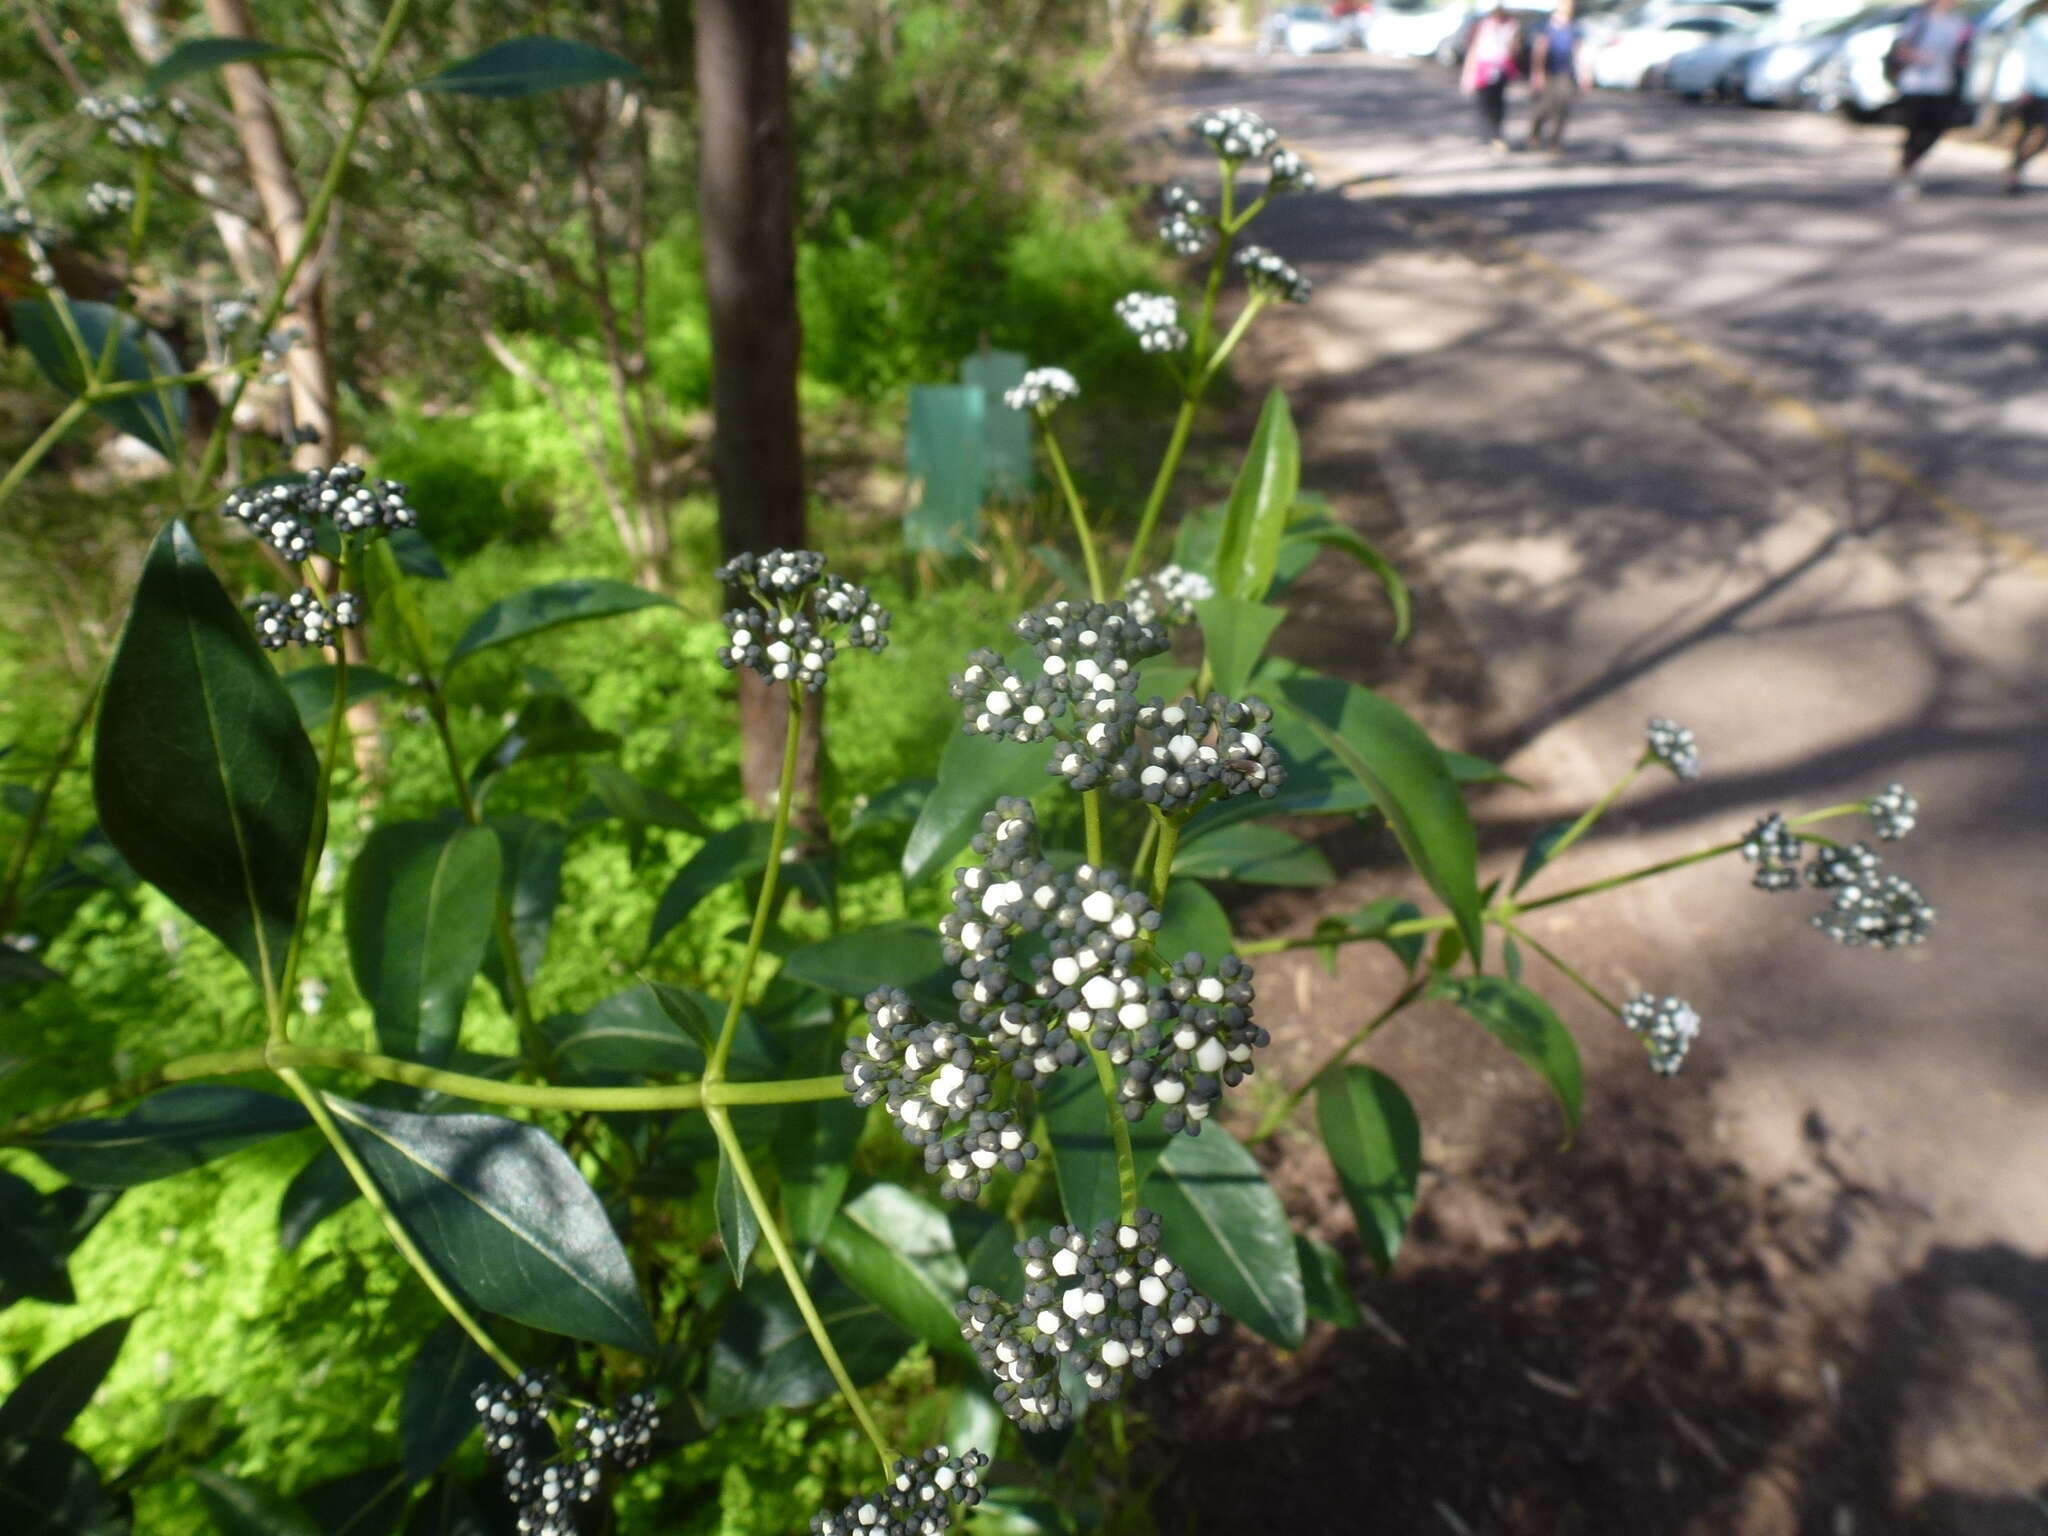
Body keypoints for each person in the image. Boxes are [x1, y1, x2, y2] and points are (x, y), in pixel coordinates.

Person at [1887, 0, 1975, 199]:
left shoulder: (1959, 23)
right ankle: (1906, 171)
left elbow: (1963, 52)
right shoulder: (1918, 20)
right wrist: (1918, 56)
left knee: (1937, 128)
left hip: (1943, 84)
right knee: (1915, 130)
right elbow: (1901, 50)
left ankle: (1909, 163)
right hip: (1915, 84)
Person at [1463, 2, 1526, 151]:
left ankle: (1497, 135)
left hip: (1501, 69)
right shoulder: (1482, 27)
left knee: (1498, 105)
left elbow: (1515, 49)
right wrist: (1469, 74)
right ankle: (1486, 137)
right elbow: (1474, 50)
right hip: (1484, 69)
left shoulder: (1510, 27)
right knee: (1484, 105)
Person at [1530, 0, 1583, 152]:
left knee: (1563, 108)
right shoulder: (1546, 26)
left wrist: (1583, 73)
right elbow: (1540, 50)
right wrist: (1537, 73)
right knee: (1544, 107)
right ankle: (1535, 132)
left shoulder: (1573, 28)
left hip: (1565, 73)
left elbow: (1578, 51)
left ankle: (1555, 141)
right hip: (1548, 72)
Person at [2007, 0, 2048, 194]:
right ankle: (2015, 173)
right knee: (2027, 131)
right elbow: (2021, 56)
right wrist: (2020, 86)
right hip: (2034, 88)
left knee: (2043, 138)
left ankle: (2018, 165)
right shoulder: (2038, 26)